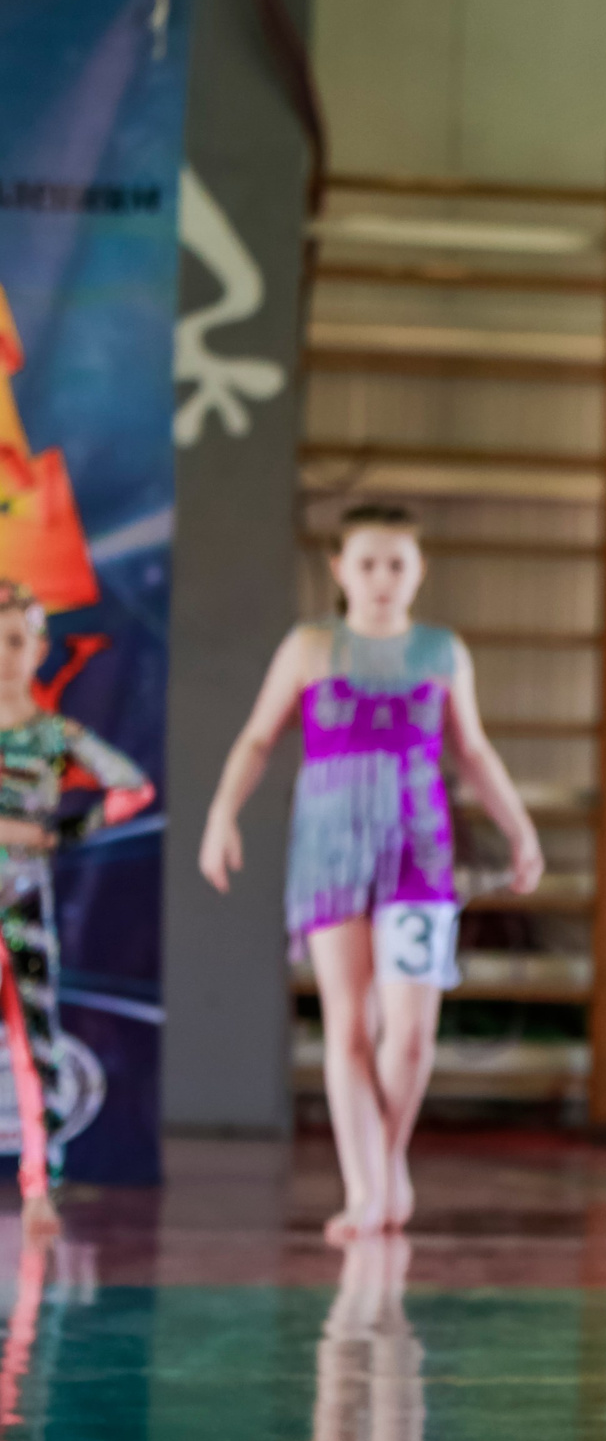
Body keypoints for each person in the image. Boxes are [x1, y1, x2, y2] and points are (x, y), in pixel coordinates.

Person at [199, 504, 543, 1241]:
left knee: (412, 1032)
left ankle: (386, 1160)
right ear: (339, 569)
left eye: (398, 563)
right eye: (368, 563)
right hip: (329, 849)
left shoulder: (444, 652)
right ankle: (367, 1186)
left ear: (418, 569)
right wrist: (222, 813)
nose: (383, 578)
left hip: (419, 848)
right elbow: (258, 739)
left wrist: (520, 829)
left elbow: (473, 752)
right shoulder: (309, 646)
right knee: (350, 1023)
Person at [0, 582, 154, 1238]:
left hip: (23, 904)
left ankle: (41, 1182)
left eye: (14, 639)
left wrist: (64, 831)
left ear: (38, 648)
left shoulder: (54, 734)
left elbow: (133, 786)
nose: (4, 653)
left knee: (35, 1044)